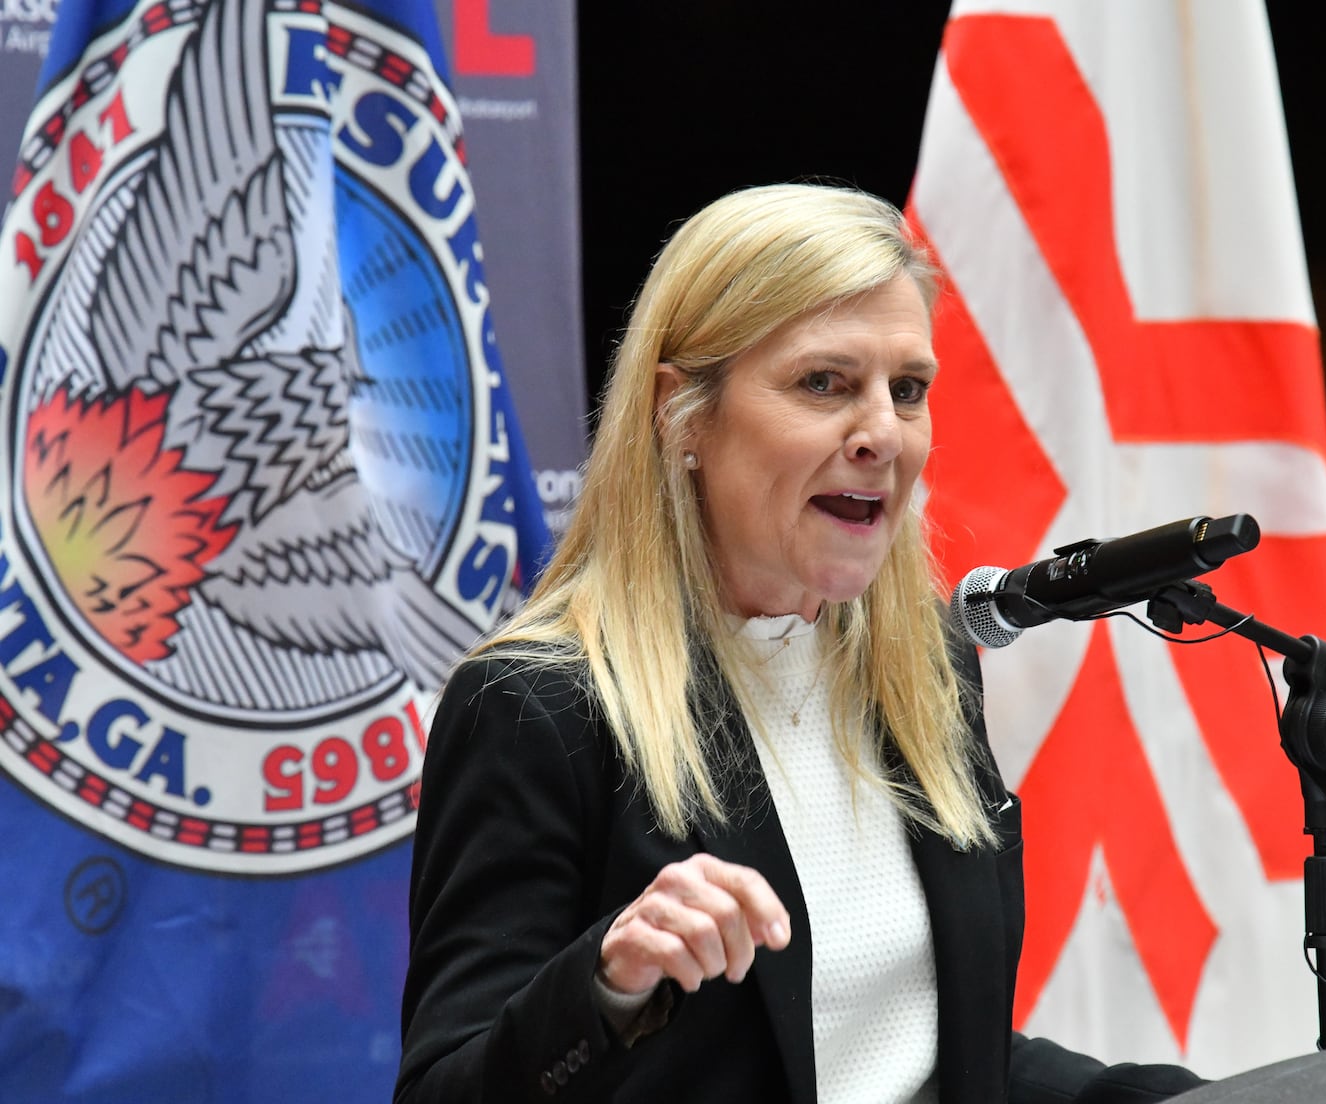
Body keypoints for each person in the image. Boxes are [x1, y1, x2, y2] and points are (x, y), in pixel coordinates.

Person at [393, 183, 1205, 1102]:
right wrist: (604, 987)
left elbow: (922, 1052)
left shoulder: (928, 669)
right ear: (682, 414)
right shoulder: (539, 704)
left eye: (908, 390)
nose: (882, 435)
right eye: (825, 383)